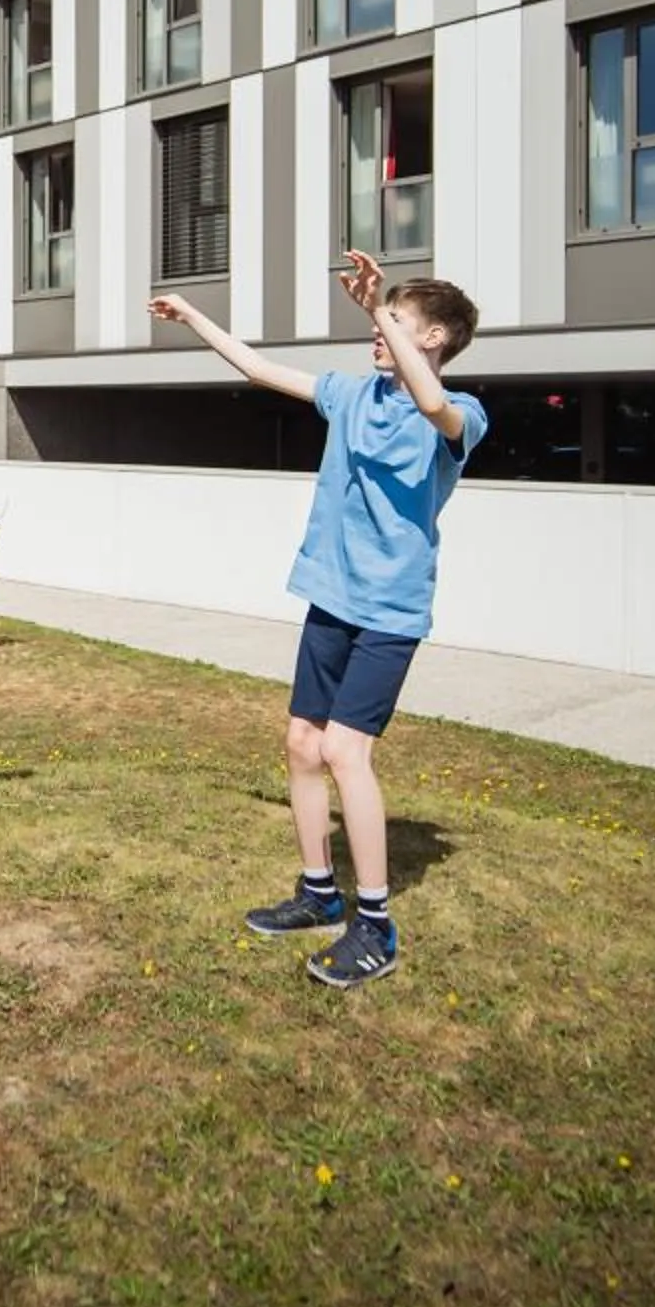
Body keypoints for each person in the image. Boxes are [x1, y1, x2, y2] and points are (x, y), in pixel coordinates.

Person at [146, 251, 487, 989]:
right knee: (302, 742)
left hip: (390, 612)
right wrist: (194, 317)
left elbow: (435, 406)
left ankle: (375, 926)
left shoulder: (460, 417)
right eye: (381, 316)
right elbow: (259, 369)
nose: (378, 330)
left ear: (432, 339)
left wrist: (374, 312)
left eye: (398, 321)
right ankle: (318, 894)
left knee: (344, 752)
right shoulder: (349, 395)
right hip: (331, 598)